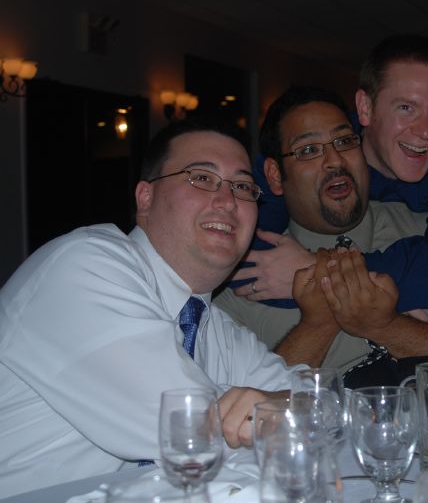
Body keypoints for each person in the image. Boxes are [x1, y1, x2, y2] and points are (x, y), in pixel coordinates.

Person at [0, 120, 305, 497]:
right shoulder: (82, 266)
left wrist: (280, 404)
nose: (228, 201)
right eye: (201, 178)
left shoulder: (214, 327)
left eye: (242, 186)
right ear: (145, 198)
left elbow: (316, 400)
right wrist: (275, 413)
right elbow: (185, 429)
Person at [215, 85, 428, 387]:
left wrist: (386, 326)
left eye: (345, 141)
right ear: (273, 176)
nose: (335, 161)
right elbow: (235, 406)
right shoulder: (247, 278)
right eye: (309, 150)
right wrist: (319, 323)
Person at [229, 34, 428, 312]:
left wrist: (320, 272)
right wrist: (396, 288)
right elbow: (241, 255)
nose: (425, 131)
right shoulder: (310, 151)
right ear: (365, 109)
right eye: (406, 108)